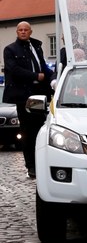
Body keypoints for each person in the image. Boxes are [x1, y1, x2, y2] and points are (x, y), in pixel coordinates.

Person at [2, 21, 53, 179]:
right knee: (27, 131)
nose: (23, 32)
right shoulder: (10, 49)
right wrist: (35, 76)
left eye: (26, 30)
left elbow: (42, 66)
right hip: (23, 95)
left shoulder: (36, 46)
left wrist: (54, 76)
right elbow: (14, 70)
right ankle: (31, 166)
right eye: (20, 30)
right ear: (17, 32)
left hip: (39, 93)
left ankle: (41, 164)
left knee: (40, 130)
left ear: (30, 32)